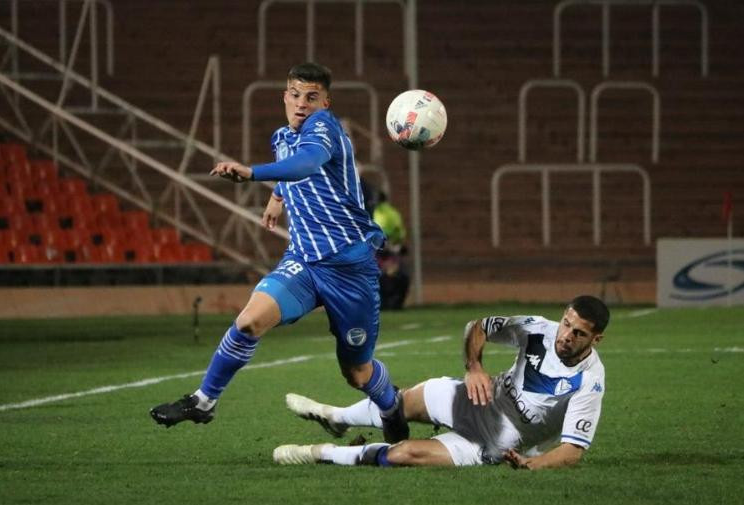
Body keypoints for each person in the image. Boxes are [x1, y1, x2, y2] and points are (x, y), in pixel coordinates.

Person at [150, 62, 409, 443]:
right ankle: (204, 401)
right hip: (303, 261)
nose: (302, 104)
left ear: (325, 101)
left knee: (357, 372)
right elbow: (294, 166)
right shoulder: (283, 136)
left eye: (311, 97)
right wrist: (276, 196)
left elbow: (308, 162)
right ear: (284, 96)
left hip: (349, 269)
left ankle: (390, 408)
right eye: (295, 95)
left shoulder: (325, 127)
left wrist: (255, 174)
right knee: (249, 321)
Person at [273, 295, 609, 470]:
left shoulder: (589, 382)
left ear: (596, 339)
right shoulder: (538, 328)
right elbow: (479, 327)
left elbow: (573, 450)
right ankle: (338, 417)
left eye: (578, 333)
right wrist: (474, 365)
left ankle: (320, 454)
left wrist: (533, 464)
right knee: (400, 403)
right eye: (566, 323)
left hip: (497, 440)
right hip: (480, 396)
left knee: (404, 454)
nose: (566, 335)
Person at [372, 191, 409, 310]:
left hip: (384, 250)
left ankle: (384, 303)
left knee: (382, 276)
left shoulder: (380, 212)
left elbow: (381, 232)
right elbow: (400, 231)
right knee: (399, 276)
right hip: (394, 249)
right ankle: (396, 303)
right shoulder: (393, 213)